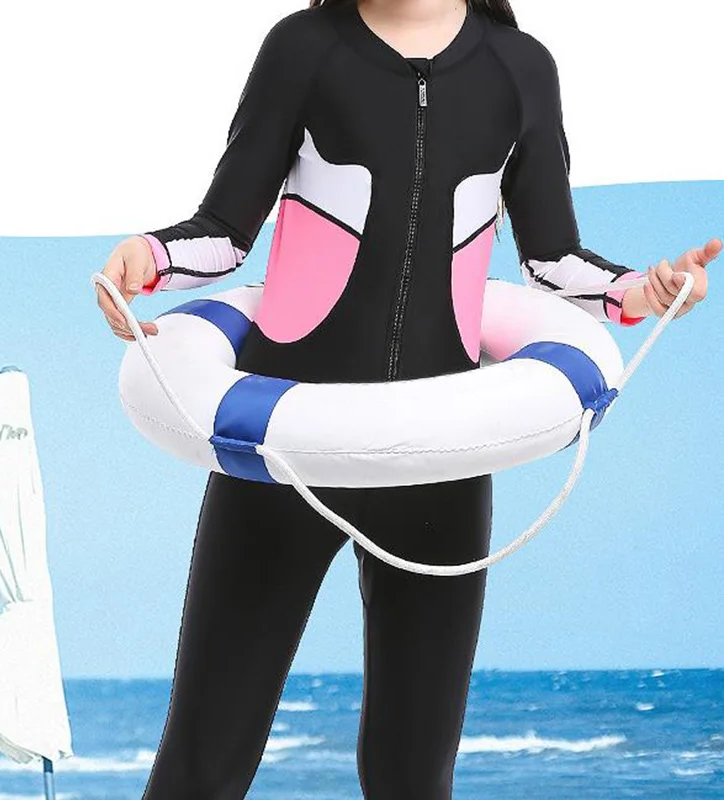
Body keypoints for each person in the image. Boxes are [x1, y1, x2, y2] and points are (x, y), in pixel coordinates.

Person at [95, 1, 718, 797]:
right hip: (283, 458)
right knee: (201, 763)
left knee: (413, 777)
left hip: (437, 472)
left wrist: (642, 291)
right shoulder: (304, 48)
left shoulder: (519, 66)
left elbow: (553, 259)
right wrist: (145, 258)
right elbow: (224, 230)